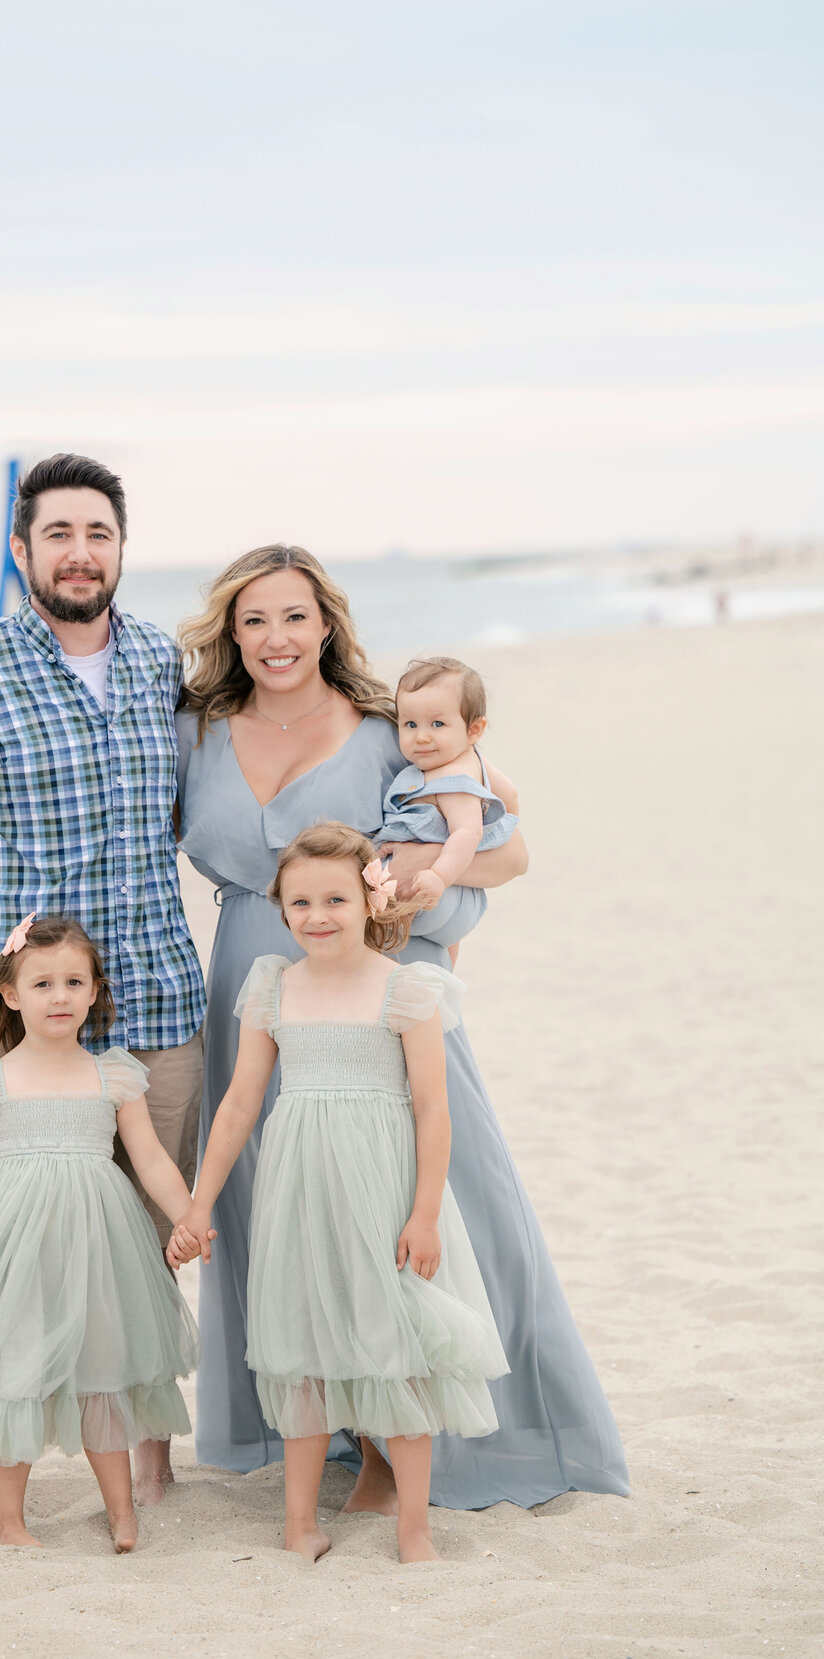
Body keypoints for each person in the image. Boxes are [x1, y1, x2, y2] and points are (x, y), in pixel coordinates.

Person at [176, 543, 629, 1510]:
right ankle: (335, 1428)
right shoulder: (198, 729)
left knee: (443, 1196)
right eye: (253, 619)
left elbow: (506, 848)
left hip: (382, 974)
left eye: (294, 616)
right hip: (252, 983)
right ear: (230, 631)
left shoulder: (393, 730)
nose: (275, 638)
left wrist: (416, 894)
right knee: (285, 1204)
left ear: (328, 623)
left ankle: (460, 1438)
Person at [0, 453, 205, 1522]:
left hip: (157, 1001)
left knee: (149, 1229)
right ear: (21, 551)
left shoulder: (166, 660)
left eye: (99, 534)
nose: (81, 552)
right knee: (6, 1237)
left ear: (122, 549)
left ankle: (150, 1450)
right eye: (59, 533)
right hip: (13, 1019)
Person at [169, 823, 507, 1563]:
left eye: (334, 899)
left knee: (401, 1346)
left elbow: (431, 1109)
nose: (317, 915)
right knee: (305, 1349)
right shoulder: (273, 985)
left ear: (369, 899)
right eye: (300, 903)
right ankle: (299, 1522)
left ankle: (412, 1524)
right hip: (301, 1191)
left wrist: (423, 1213)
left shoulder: (407, 988)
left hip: (384, 1192)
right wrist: (199, 1204)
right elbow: (236, 1106)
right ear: (281, 908)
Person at [0, 916, 199, 1552]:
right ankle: (11, 1520)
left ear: (96, 992)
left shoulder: (114, 1074)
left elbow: (151, 1159)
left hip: (98, 1242)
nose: (60, 996)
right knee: (12, 1366)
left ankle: (121, 1511)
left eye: (75, 982)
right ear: (12, 996)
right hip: (15, 1245)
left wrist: (187, 1213)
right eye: (42, 983)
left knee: (101, 1365)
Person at [377, 655, 518, 960]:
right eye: (410, 724)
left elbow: (467, 832)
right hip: (443, 895)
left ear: (474, 730)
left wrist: (439, 876)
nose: (422, 736)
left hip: (433, 885)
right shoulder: (466, 763)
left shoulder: (455, 781)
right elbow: (510, 794)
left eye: (438, 724)